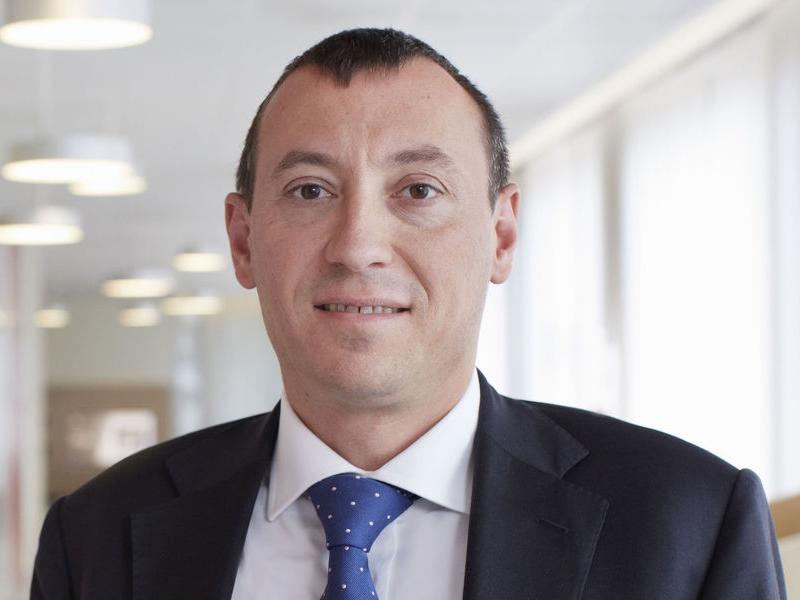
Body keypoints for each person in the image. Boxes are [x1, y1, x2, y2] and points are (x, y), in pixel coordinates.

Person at [31, 28, 786, 600]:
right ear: (243, 240)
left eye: (419, 190)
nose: (358, 246)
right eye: (310, 191)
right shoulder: (94, 537)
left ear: (501, 236)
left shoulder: (689, 524)